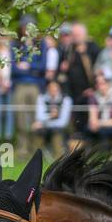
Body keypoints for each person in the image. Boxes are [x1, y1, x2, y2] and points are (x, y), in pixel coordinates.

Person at [10, 17, 46, 156]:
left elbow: (42, 66)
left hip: (35, 85)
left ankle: (36, 148)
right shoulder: (16, 44)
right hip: (19, 85)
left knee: (36, 118)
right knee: (20, 118)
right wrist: (30, 69)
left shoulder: (41, 45)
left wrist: (28, 66)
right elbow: (13, 67)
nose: (27, 29)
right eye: (25, 26)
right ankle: (22, 148)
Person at [86, 71, 112, 150]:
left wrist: (98, 123)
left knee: (103, 132)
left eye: (102, 83)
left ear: (108, 83)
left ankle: (108, 153)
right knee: (87, 129)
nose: (100, 86)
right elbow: (92, 117)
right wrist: (94, 123)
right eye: (97, 83)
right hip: (100, 125)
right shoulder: (94, 97)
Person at [31, 79, 72, 155]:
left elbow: (63, 123)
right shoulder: (42, 98)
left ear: (59, 88)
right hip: (45, 127)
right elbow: (39, 117)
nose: (53, 89)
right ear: (47, 88)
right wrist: (50, 116)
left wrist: (44, 123)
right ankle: (36, 157)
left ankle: (58, 156)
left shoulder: (66, 99)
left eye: (55, 87)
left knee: (57, 131)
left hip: (60, 128)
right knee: (38, 131)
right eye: (51, 87)